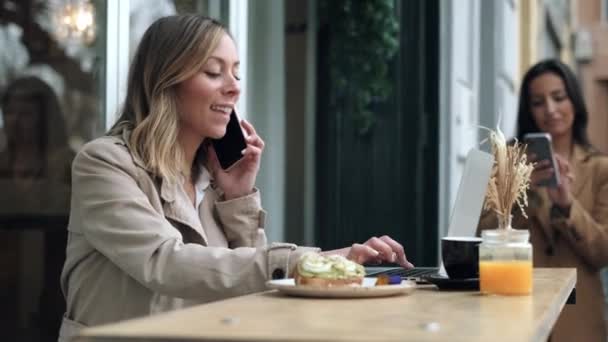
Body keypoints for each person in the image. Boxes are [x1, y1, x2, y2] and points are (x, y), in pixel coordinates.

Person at [58, 15, 414, 341]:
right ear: (166, 82)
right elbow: (164, 262)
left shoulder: (210, 179)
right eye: (214, 73)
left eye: (236, 74)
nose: (234, 88)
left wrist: (238, 199)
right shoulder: (103, 163)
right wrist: (313, 263)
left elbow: (251, 290)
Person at [478, 59, 608, 341]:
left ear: (574, 100)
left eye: (558, 97)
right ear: (529, 109)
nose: (550, 109)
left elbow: (601, 252)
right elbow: (481, 235)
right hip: (512, 312)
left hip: (579, 319)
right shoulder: (506, 161)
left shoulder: (601, 168)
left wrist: (566, 204)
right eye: (538, 102)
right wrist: (523, 190)